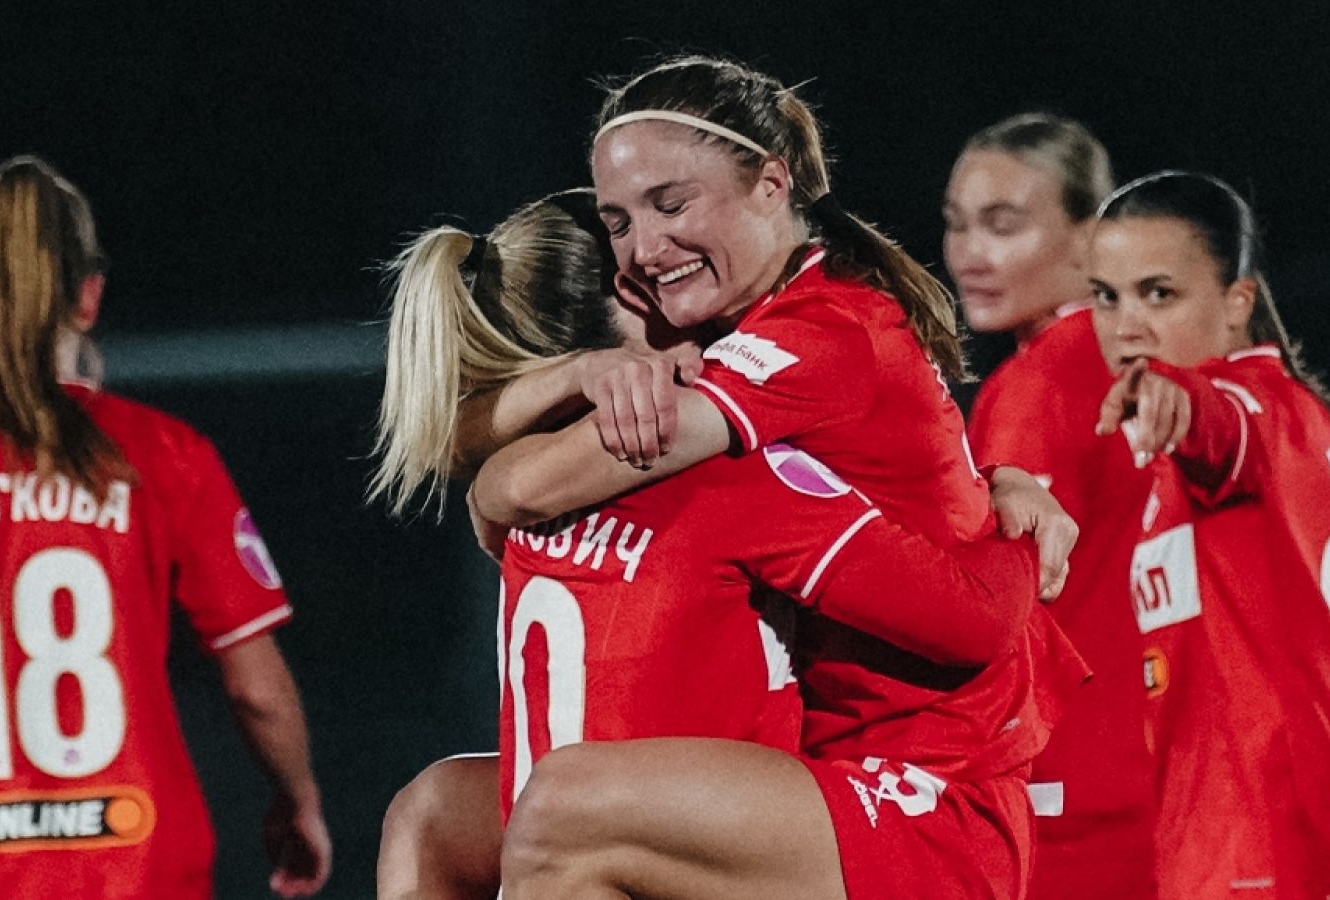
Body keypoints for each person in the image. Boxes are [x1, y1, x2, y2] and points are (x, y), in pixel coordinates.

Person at [467, 57, 1088, 899]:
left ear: (771, 183)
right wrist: (573, 377)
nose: (644, 249)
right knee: (435, 814)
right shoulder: (771, 325)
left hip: (925, 791)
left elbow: (525, 489)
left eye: (671, 204)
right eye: (618, 221)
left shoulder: (813, 334)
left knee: (564, 807)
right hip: (822, 769)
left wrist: (488, 482)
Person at [0, 156, 331, 899]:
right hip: (135, 863)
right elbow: (256, 688)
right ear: (88, 296)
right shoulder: (164, 453)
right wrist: (297, 798)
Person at [1090, 170, 1330, 900]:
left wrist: (1176, 397)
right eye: (1107, 296)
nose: (1126, 325)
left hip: (1268, 855)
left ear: (1237, 303)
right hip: (1209, 854)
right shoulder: (1189, 456)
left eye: (1159, 294)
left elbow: (1221, 422)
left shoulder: (1265, 413)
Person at [943, 113, 1157, 898]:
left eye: (1003, 226)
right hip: (1158, 756)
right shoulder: (1141, 356)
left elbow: (995, 602)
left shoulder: (1039, 381)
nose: (971, 253)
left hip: (1074, 778)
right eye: (957, 224)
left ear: (1088, 238)